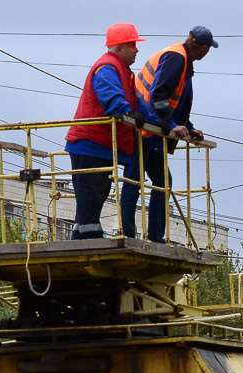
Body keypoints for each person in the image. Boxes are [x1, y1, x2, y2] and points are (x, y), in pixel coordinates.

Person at [121, 26, 217, 244]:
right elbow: (159, 94)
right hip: (142, 127)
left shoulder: (181, 57)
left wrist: (187, 126)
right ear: (203, 48)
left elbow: (176, 100)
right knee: (135, 179)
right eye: (209, 48)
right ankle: (128, 234)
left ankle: (154, 236)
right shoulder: (177, 58)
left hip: (151, 126)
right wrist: (172, 124)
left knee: (161, 181)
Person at [64, 23, 146, 240]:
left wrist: (157, 121)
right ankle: (89, 240)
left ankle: (82, 238)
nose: (136, 50)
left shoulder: (120, 70)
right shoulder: (107, 68)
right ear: (118, 49)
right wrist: (127, 112)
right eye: (132, 45)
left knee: (93, 196)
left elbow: (136, 103)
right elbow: (112, 100)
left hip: (98, 145)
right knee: (91, 194)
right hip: (90, 144)